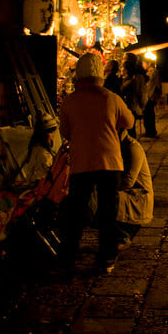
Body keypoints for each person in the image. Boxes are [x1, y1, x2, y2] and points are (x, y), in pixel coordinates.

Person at [57, 52, 134, 273]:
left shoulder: (70, 101)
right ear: (100, 74)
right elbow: (128, 122)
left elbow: (65, 132)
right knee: (108, 212)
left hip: (82, 162)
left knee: (76, 212)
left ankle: (68, 257)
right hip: (110, 162)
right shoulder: (111, 98)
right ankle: (106, 258)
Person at [115, 128, 153, 252]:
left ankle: (122, 236)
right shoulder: (117, 146)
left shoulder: (133, 148)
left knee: (106, 198)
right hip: (127, 190)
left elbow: (129, 180)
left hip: (137, 195)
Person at [21, 113, 59, 186]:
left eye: (53, 132)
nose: (53, 135)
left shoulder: (42, 149)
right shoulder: (41, 151)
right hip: (39, 184)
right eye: (50, 132)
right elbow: (44, 173)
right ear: (42, 134)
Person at [120, 53, 148, 139]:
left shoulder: (135, 78)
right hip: (130, 106)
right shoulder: (129, 78)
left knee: (130, 128)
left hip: (132, 106)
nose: (122, 60)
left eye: (124, 58)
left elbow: (140, 93)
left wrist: (141, 105)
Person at [142, 56, 161, 138]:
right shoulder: (148, 72)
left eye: (144, 63)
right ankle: (149, 131)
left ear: (149, 64)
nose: (143, 65)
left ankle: (151, 131)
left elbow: (156, 84)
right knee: (148, 114)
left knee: (149, 114)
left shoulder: (153, 72)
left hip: (151, 95)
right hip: (148, 95)